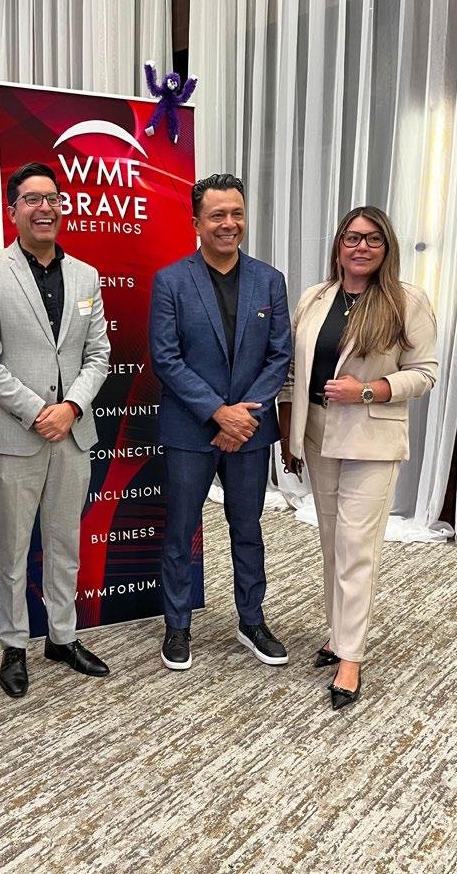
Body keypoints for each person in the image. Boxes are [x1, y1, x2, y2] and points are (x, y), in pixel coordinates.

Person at [278, 205, 438, 709]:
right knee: (331, 541)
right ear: (338, 245)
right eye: (352, 237)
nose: (361, 247)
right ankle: (338, 633)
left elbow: (425, 373)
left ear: (387, 247)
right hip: (317, 434)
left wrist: (367, 389)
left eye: (372, 239)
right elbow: (293, 374)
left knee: (356, 545)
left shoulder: (406, 301)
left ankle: (351, 656)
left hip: (372, 438)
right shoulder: (315, 298)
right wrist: (288, 435)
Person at [0, 162, 111, 699]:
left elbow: (98, 354)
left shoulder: (86, 276)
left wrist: (70, 406)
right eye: (32, 199)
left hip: (72, 434)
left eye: (53, 198)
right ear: (13, 210)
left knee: (65, 542)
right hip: (16, 439)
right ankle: (13, 644)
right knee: (13, 548)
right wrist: (37, 411)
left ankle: (62, 637)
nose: (45, 207)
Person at [149, 173, 292, 671]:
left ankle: (251, 620)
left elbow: (279, 356)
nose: (228, 224)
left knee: (247, 527)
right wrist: (217, 413)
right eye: (217, 215)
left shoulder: (269, 280)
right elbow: (166, 358)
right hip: (191, 429)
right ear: (196, 223)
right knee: (181, 530)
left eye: (236, 213)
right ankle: (177, 625)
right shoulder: (171, 281)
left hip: (249, 430)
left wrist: (242, 417)